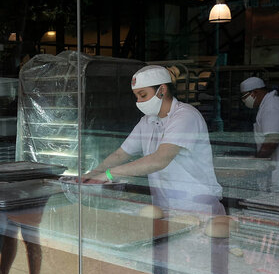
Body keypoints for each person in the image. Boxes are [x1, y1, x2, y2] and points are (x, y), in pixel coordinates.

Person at [84, 65, 223, 215]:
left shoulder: (186, 116)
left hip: (196, 207)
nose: (138, 102)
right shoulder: (147, 121)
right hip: (164, 207)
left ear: (162, 90)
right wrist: (92, 174)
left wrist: (109, 174)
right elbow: (121, 154)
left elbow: (159, 160)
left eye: (143, 95)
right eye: (136, 96)